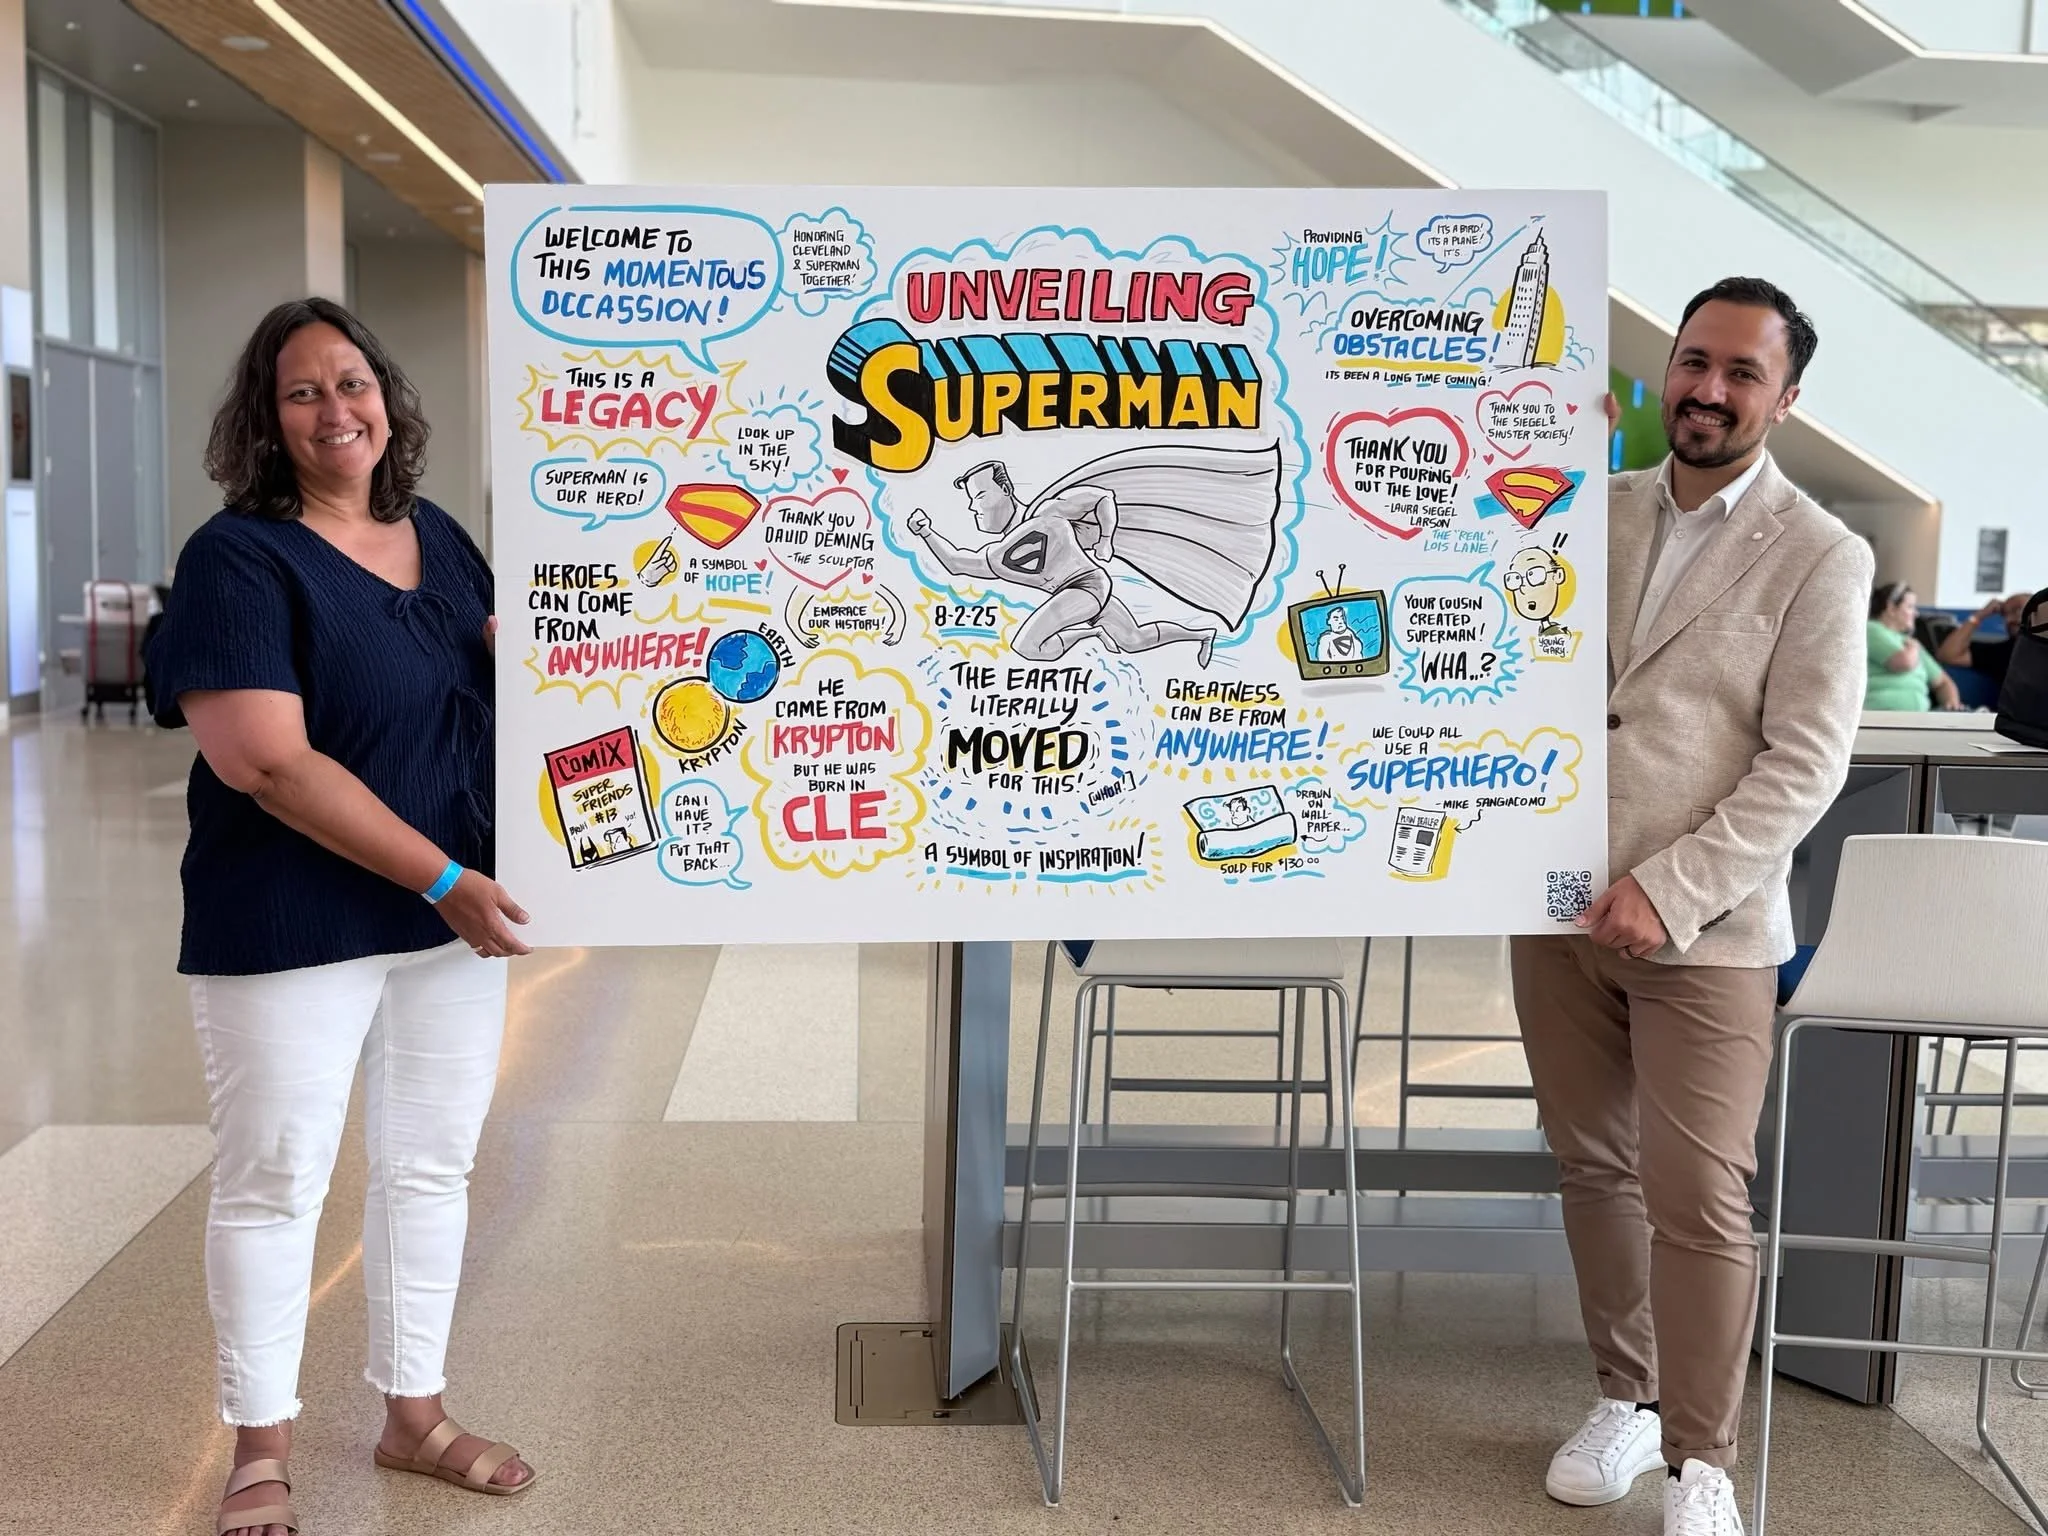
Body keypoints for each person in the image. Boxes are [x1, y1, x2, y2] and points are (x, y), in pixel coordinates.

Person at [146, 298, 536, 1536]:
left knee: (431, 1166)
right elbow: (267, 762)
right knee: (277, 1179)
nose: (336, 410)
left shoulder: (439, 535)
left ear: (388, 399)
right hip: (293, 917)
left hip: (450, 920)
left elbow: (511, 684)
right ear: (266, 421)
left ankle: (412, 1415)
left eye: (352, 383)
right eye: (303, 392)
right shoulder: (237, 559)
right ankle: (259, 1444)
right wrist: (441, 880)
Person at [1510, 277, 1872, 1536]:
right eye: (1693, 362)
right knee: (1589, 1165)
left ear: (1784, 400)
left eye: (1741, 374)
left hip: (1704, 930)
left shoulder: (1823, 552)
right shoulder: (1577, 512)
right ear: (1664, 367)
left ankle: (1700, 1458)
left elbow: (1804, 762)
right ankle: (1624, 1395)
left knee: (1698, 1190)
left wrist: (1667, 892)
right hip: (1553, 907)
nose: (1708, 391)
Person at [905, 460, 1216, 665]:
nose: (974, 507)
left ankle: (1092, 633)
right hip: (1078, 598)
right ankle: (1201, 635)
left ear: (1006, 490)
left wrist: (1107, 537)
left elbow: (1101, 497)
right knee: (1134, 640)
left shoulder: (1047, 513)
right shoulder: (998, 555)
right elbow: (957, 564)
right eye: (971, 499)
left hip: (1087, 588)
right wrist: (926, 532)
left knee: (1027, 645)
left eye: (982, 495)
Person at [1866, 581, 1961, 711]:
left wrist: (1952, 704)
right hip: (1882, 716)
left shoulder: (1908, 642)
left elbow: (1943, 682)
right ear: (1891, 608)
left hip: (1917, 720)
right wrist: (1914, 648)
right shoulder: (1871, 629)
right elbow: (1904, 663)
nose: (1916, 614)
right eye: (1910, 607)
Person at [1934, 590, 2030, 689]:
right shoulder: (2001, 652)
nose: (2010, 619)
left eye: (2018, 610)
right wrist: (1979, 616)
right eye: (2005, 614)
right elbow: (1948, 655)